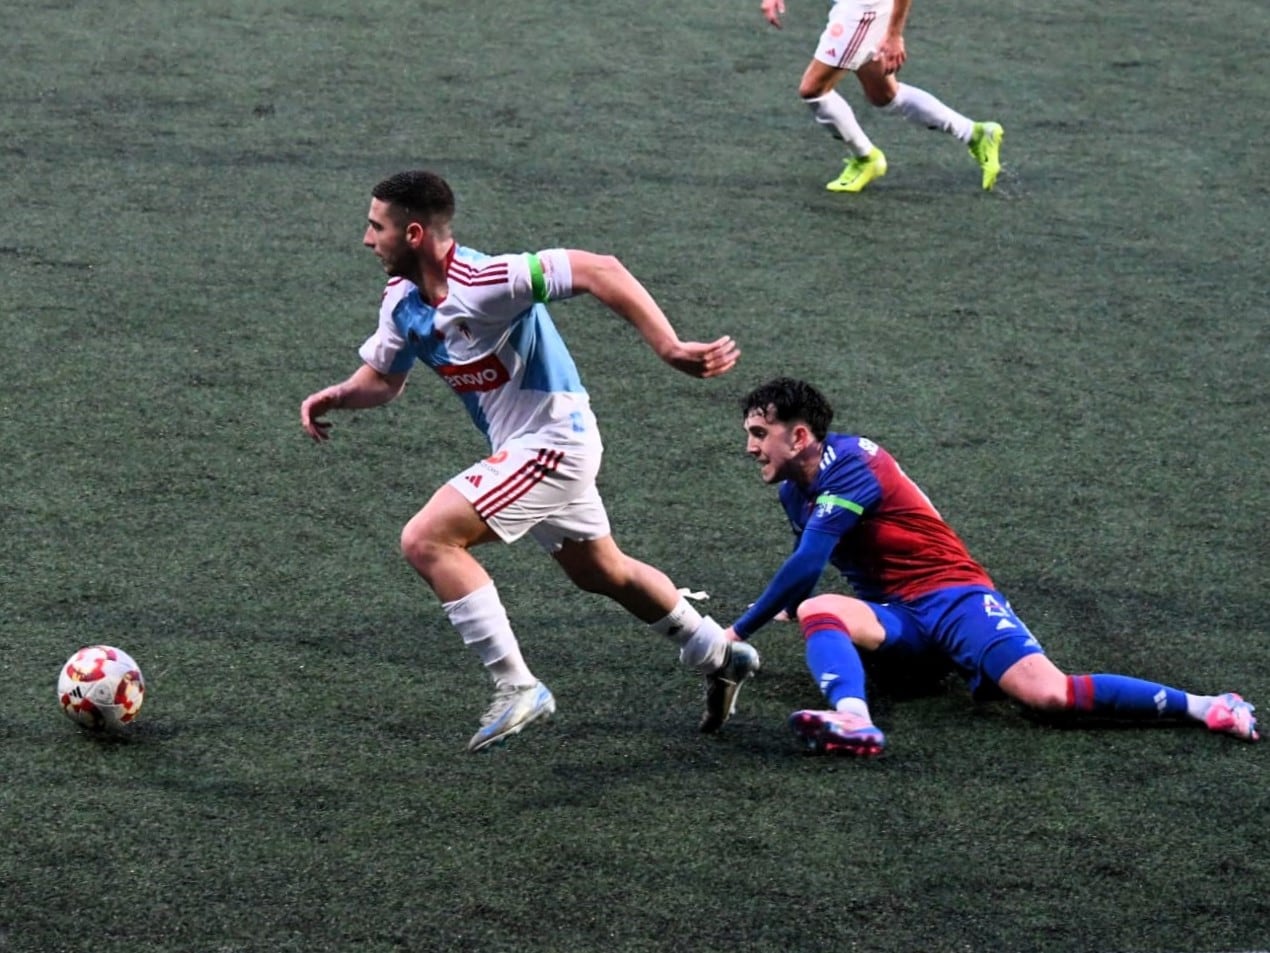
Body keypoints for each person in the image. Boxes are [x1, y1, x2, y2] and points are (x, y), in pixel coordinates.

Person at [300, 170, 759, 753]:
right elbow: (385, 379)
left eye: (376, 226)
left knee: (427, 540)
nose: (368, 239)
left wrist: (670, 347)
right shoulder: (402, 302)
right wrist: (338, 394)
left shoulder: (490, 280)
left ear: (413, 233)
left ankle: (515, 684)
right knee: (601, 572)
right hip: (523, 450)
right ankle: (719, 653)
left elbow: (601, 269)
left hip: (554, 443)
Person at [717, 377, 1258, 755]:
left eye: (759, 433)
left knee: (1048, 696)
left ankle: (1206, 705)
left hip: (954, 598)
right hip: (897, 616)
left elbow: (809, 561)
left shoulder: (856, 464)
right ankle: (854, 720)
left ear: (801, 436)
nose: (749, 447)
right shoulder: (795, 488)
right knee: (819, 607)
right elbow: (805, 561)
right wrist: (790, 605)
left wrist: (738, 632)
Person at [760, 0, 1004, 193]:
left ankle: (866, 157)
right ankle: (975, 133)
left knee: (813, 89)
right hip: (853, 7)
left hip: (864, 9)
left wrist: (894, 35)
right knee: (884, 95)